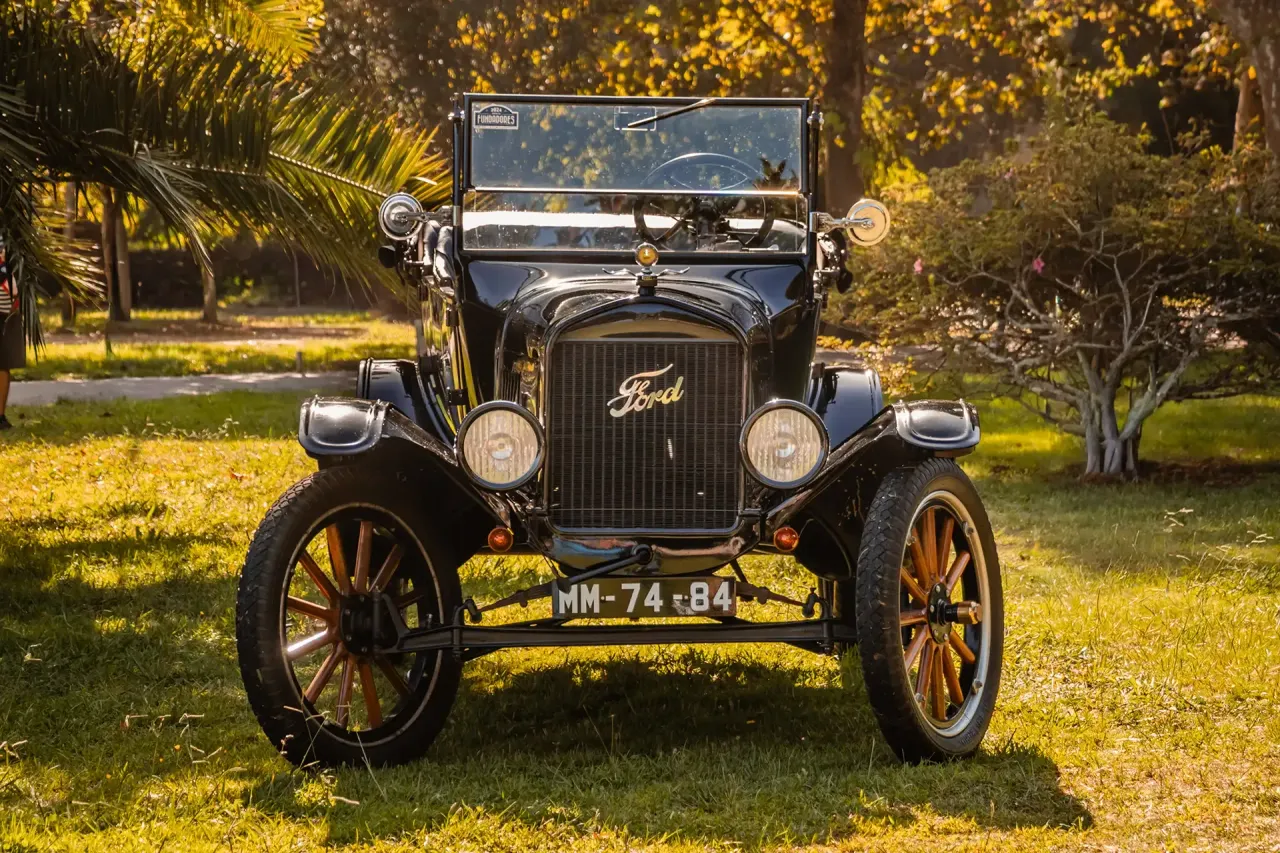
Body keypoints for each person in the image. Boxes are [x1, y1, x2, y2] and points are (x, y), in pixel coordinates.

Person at [0, 235, 23, 430]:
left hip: (5, 308)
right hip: (7, 303)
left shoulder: (9, 231)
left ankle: (0, 416)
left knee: (2, 362)